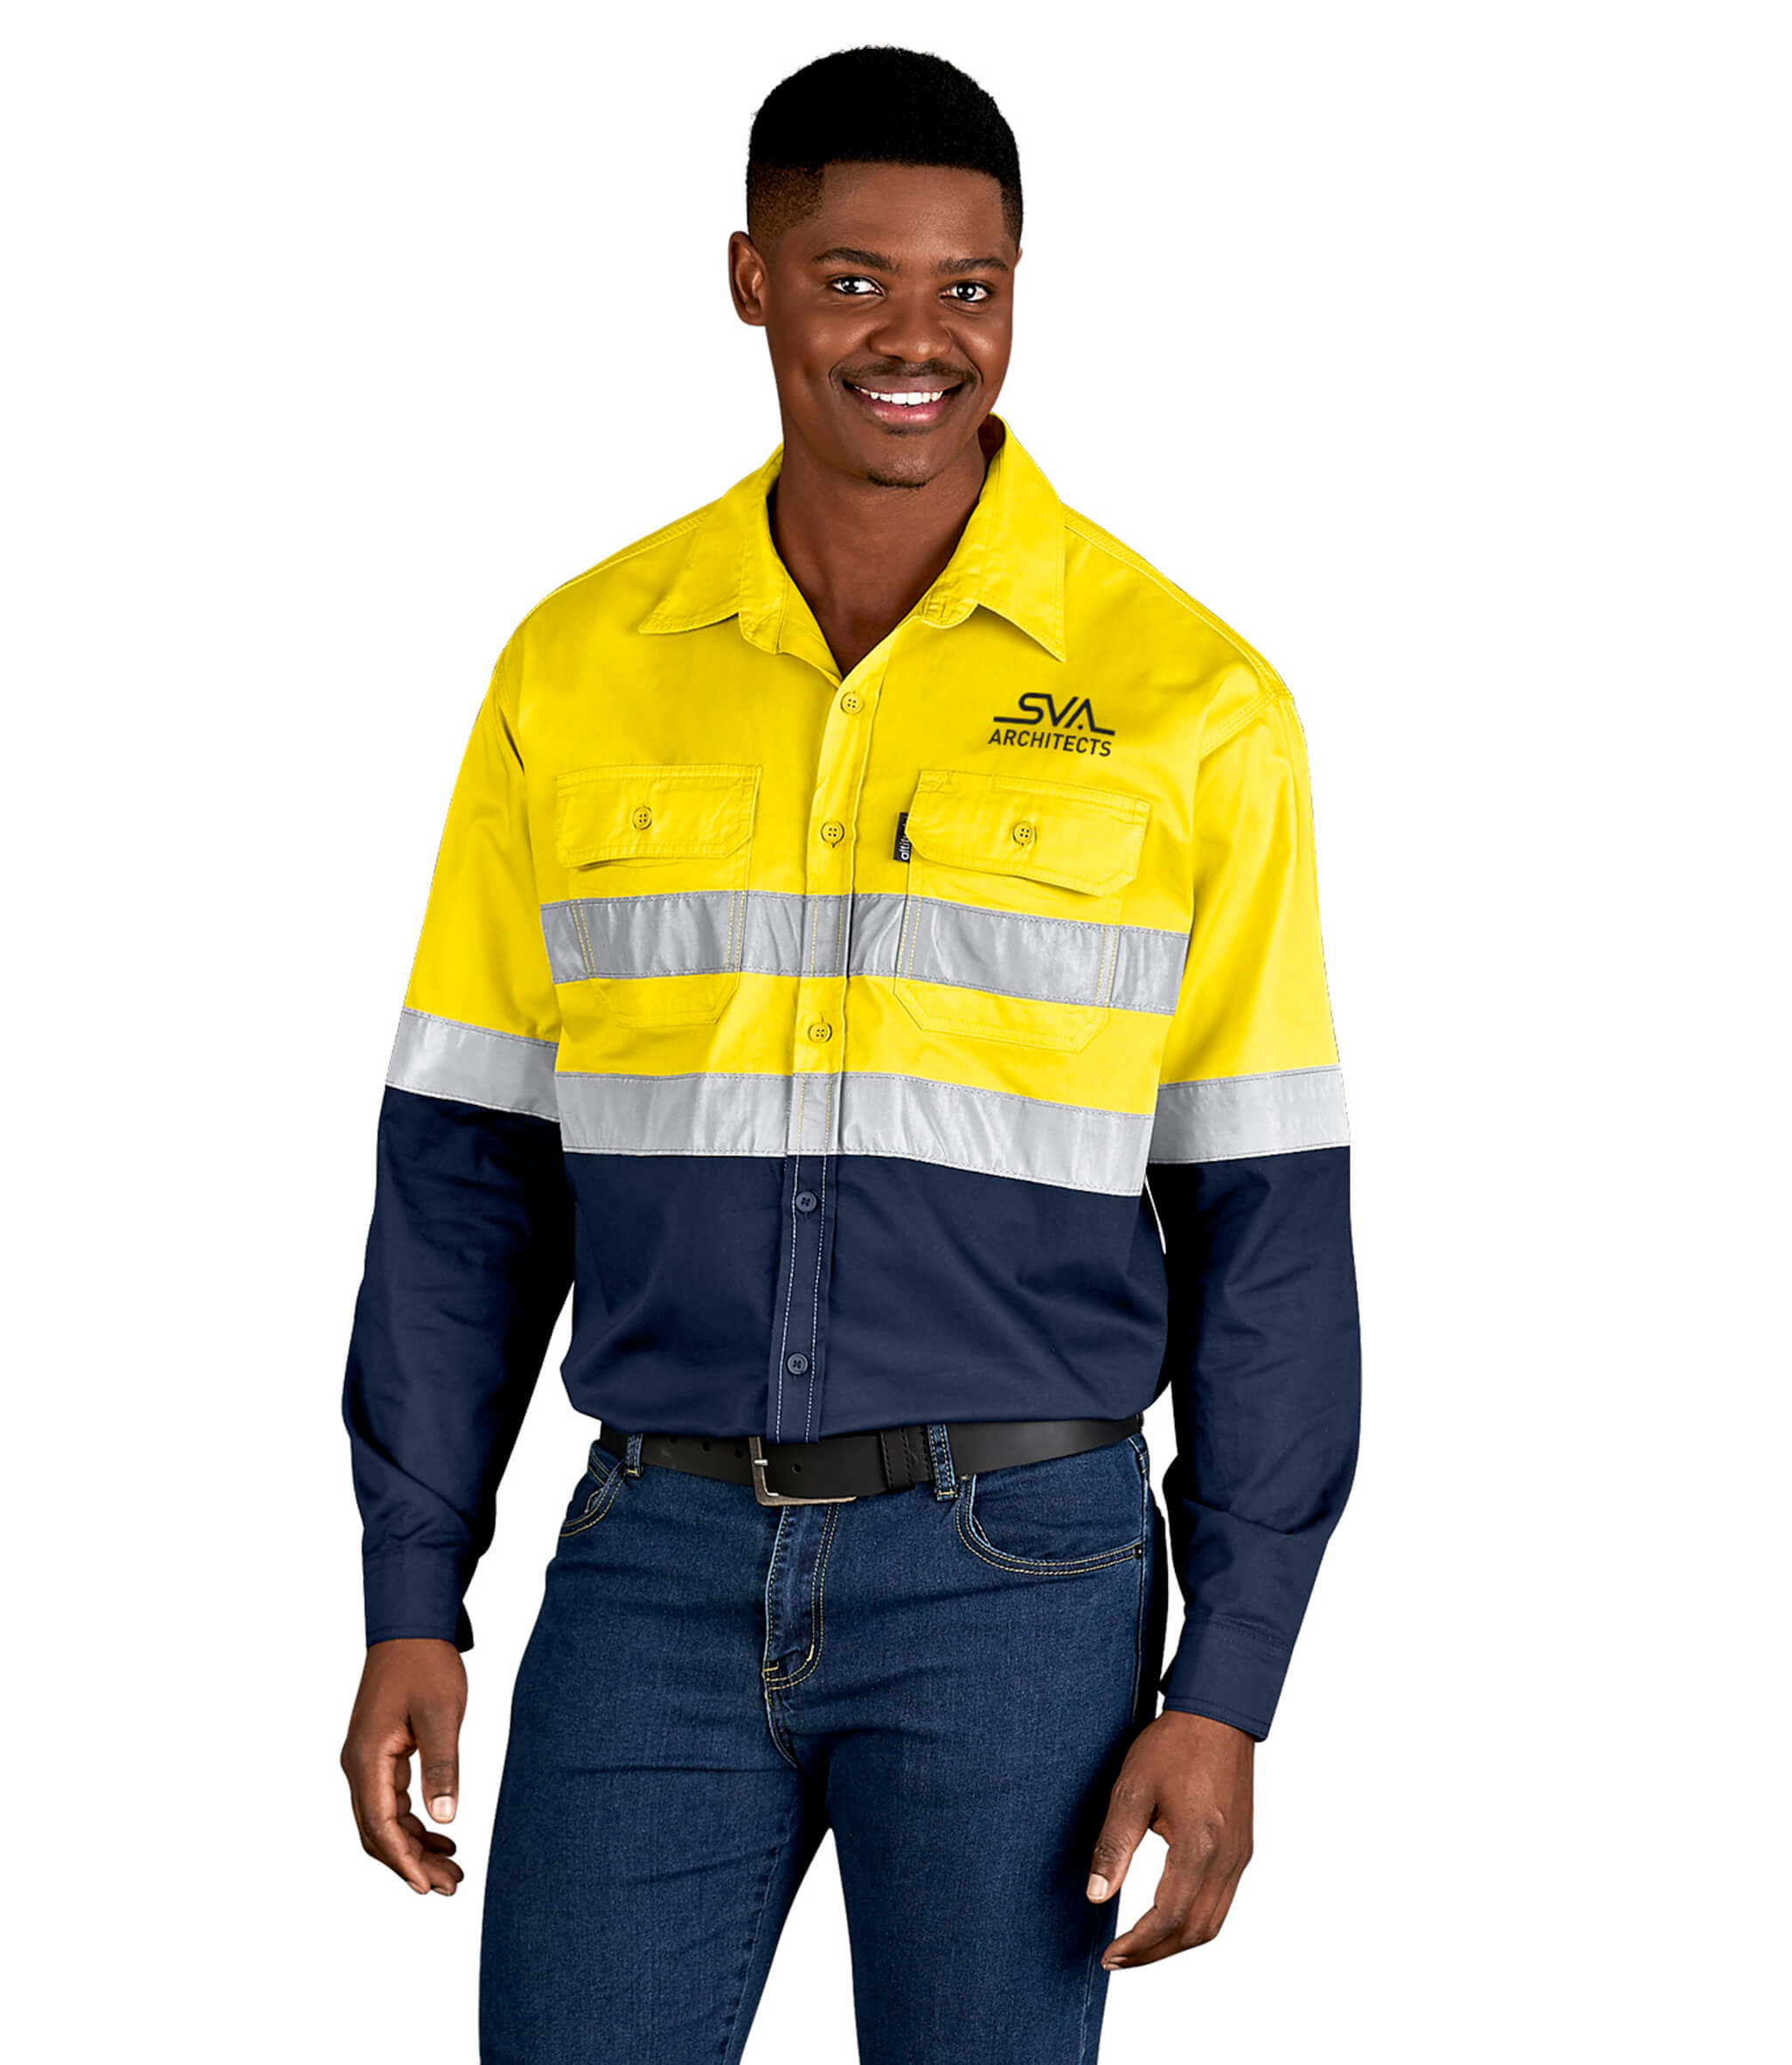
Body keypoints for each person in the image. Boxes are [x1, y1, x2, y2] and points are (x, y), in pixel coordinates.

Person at [337, 45, 1360, 2065]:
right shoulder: (576, 665)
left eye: (967, 287)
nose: (916, 338)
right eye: (852, 279)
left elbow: (1267, 1225)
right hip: (652, 1556)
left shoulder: (1191, 704)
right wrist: (408, 1585)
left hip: (1021, 1578)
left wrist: (1225, 1678)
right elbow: (463, 1175)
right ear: (750, 278)